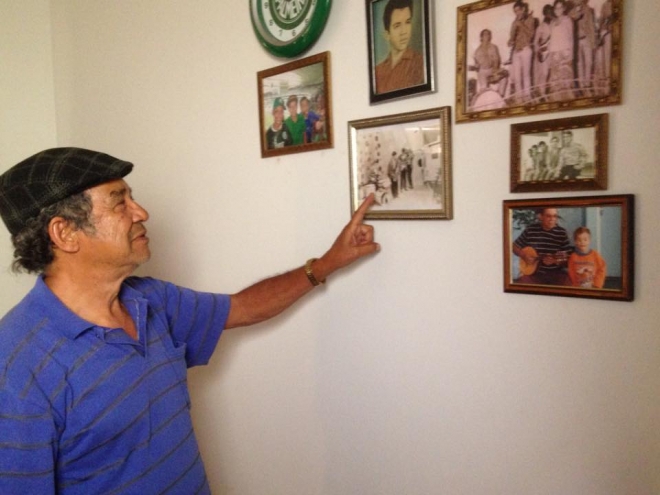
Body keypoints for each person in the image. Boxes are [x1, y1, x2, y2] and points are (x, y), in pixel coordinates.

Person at [0, 147, 379, 494]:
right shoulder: (17, 367)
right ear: (65, 233)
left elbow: (244, 307)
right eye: (119, 203)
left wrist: (327, 263)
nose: (141, 213)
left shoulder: (150, 300)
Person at [374, 0, 425, 94]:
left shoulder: (420, 63)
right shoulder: (377, 71)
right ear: (387, 34)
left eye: (407, 22)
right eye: (397, 26)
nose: (404, 32)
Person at [512, 207, 572, 285]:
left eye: (555, 216)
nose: (552, 219)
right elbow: (514, 246)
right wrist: (523, 255)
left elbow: (568, 258)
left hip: (555, 274)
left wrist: (556, 261)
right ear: (540, 216)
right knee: (521, 283)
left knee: (567, 283)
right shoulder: (530, 229)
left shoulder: (561, 233)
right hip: (533, 274)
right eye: (548, 216)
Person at [506, 1, 537, 103]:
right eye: (515, 11)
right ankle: (519, 99)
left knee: (526, 75)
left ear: (523, 9)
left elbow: (531, 35)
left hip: (526, 49)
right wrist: (510, 41)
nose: (517, 13)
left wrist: (521, 24)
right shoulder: (514, 22)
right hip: (516, 51)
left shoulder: (531, 19)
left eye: (518, 10)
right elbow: (511, 38)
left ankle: (527, 97)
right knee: (517, 77)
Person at [547, 0, 575, 101]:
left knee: (565, 76)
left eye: (560, 8)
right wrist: (550, 55)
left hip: (565, 52)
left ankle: (567, 100)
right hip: (554, 53)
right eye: (556, 8)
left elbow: (571, 37)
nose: (558, 10)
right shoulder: (552, 22)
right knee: (555, 78)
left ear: (564, 9)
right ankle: (556, 100)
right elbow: (551, 39)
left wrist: (571, 54)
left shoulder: (568, 20)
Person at [570, 0, 597, 95]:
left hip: (586, 39)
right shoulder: (571, 11)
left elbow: (591, 26)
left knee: (589, 62)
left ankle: (587, 84)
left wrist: (593, 41)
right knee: (579, 64)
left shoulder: (588, 9)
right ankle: (581, 86)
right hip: (576, 41)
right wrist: (577, 10)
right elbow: (574, 17)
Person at [471, 29, 504, 94]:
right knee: (484, 90)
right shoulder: (477, 51)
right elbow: (477, 65)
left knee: (504, 76)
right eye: (485, 34)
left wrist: (495, 71)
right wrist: (475, 66)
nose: (487, 36)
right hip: (482, 71)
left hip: (492, 69)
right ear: (481, 37)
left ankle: (500, 95)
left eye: (488, 34)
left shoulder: (494, 47)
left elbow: (496, 60)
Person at [533, 5, 555, 99]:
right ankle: (542, 93)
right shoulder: (540, 27)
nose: (550, 14)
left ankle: (551, 92)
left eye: (551, 11)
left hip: (554, 51)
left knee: (552, 72)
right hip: (544, 53)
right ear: (545, 14)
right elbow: (535, 42)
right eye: (548, 12)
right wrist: (538, 52)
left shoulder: (554, 23)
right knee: (544, 73)